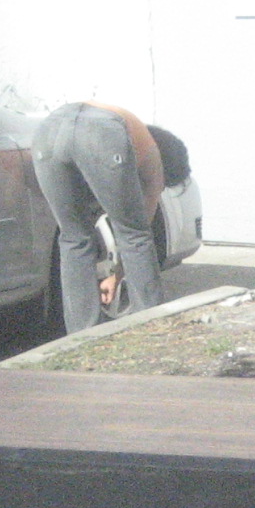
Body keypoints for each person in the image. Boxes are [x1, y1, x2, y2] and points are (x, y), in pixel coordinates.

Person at [31, 101, 165, 334]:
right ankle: (149, 328)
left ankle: (82, 335)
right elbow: (138, 231)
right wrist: (118, 274)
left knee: (73, 237)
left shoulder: (133, 126)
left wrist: (115, 277)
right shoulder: (151, 153)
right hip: (99, 132)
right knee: (134, 233)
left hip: (48, 130)